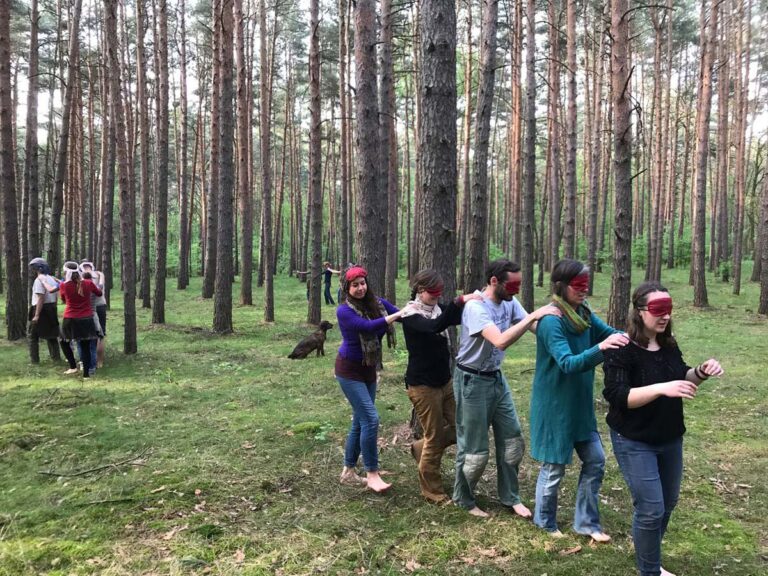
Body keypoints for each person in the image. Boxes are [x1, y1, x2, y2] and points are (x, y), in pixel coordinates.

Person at [602, 282, 723, 576]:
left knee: (667, 504)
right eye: (658, 310)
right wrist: (661, 388)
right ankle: (649, 570)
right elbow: (620, 397)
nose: (665, 316)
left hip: (669, 436)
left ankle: (649, 556)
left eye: (668, 309)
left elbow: (682, 377)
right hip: (633, 438)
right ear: (639, 311)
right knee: (651, 508)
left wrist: (701, 373)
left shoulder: (668, 344)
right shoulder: (621, 348)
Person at [529, 259, 629, 542]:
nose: (584, 290)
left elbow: (610, 334)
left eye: (586, 285)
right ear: (562, 286)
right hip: (554, 406)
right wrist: (600, 349)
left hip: (580, 407)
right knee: (554, 468)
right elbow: (567, 363)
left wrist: (634, 338)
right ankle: (545, 522)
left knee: (596, 461)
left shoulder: (583, 313)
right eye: (578, 286)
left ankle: (586, 523)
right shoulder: (551, 321)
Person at [453, 259, 561, 518]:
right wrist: (535, 314)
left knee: (513, 441)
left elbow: (533, 326)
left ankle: (510, 496)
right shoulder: (476, 307)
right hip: (471, 382)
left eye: (519, 284)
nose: (516, 290)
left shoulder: (509, 301)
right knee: (475, 450)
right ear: (494, 281)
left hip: (496, 379)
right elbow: (500, 341)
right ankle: (464, 498)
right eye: (512, 284)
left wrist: (559, 328)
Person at [400, 269, 481, 504]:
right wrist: (459, 301)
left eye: (439, 294)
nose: (436, 298)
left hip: (445, 381)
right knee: (435, 438)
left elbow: (452, 317)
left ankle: (419, 448)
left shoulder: (437, 309)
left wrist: (476, 302)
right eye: (432, 294)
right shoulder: (410, 314)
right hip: (422, 386)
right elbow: (434, 326)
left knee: (461, 427)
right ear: (420, 290)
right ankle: (432, 491)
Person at [335, 265, 411, 493]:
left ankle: (348, 471)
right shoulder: (344, 311)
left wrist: (419, 311)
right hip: (348, 371)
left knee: (360, 421)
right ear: (347, 288)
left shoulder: (376, 303)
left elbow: (401, 315)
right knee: (371, 419)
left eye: (362, 283)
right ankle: (372, 473)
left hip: (368, 369)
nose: (360, 288)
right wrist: (395, 316)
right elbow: (367, 326)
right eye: (354, 285)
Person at [59, 266, 103, 378]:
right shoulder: (88, 283)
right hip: (86, 318)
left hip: (70, 318)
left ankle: (73, 366)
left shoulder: (64, 285)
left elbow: (63, 300)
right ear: (80, 274)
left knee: (63, 341)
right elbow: (99, 293)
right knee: (85, 346)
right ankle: (86, 375)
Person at [27, 258, 61, 364]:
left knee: (32, 336)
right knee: (52, 334)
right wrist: (54, 307)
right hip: (51, 308)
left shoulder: (39, 280)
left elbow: (40, 298)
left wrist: (36, 315)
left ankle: (34, 361)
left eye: (33, 268)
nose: (32, 270)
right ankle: (56, 358)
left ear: (38, 268)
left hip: (40, 309)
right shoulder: (51, 279)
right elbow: (55, 296)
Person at [81, 260, 107, 368]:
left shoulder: (81, 278)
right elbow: (100, 287)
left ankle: (87, 360)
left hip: (89, 309)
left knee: (86, 335)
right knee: (101, 334)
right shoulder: (99, 275)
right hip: (100, 306)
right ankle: (99, 362)